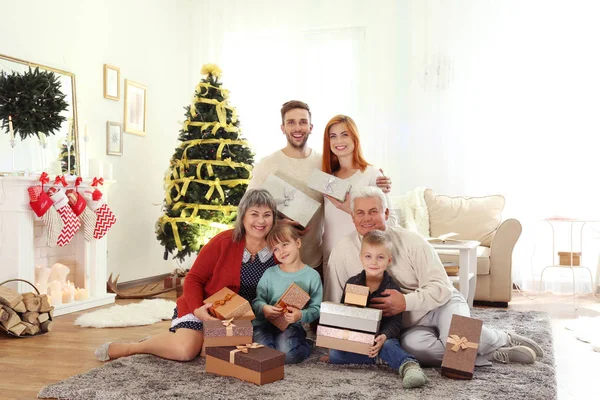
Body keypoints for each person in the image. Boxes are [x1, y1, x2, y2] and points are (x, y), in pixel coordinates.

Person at [328, 186, 544, 367]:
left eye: (374, 211)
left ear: (385, 214)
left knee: (456, 332)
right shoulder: (343, 250)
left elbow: (442, 287)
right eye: (360, 213)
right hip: (409, 326)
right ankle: (485, 353)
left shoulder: (412, 241)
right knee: (419, 351)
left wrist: (405, 301)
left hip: (441, 305)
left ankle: (500, 337)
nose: (367, 219)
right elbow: (336, 299)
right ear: (352, 216)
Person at [94, 189, 278, 362]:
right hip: (203, 307)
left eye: (267, 215)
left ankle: (195, 341)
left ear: (274, 218)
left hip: (242, 320)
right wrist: (198, 309)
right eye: (254, 214)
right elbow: (193, 279)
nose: (260, 221)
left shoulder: (279, 248)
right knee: (185, 351)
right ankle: (135, 347)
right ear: (243, 216)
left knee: (213, 352)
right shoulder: (222, 242)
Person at [247, 101, 392, 275]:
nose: (297, 128)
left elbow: (355, 173)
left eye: (303, 122)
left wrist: (379, 180)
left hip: (317, 259)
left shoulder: (324, 164)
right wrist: (276, 222)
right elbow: (248, 209)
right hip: (279, 260)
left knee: (326, 301)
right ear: (282, 128)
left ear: (311, 127)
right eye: (291, 122)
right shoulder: (267, 164)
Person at [324, 230, 428, 389]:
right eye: (368, 256)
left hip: (383, 338)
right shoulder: (353, 283)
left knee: (388, 346)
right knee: (335, 354)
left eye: (380, 257)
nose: (373, 262)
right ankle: (383, 358)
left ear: (389, 260)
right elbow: (344, 314)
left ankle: (408, 365)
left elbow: (395, 322)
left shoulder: (392, 289)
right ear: (361, 258)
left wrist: (384, 336)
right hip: (359, 339)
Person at [321, 115, 398, 301]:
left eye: (344, 134)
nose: (339, 141)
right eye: (333, 136)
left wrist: (352, 209)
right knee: (332, 319)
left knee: (359, 315)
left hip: (361, 256)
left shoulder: (371, 175)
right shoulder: (326, 179)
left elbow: (392, 221)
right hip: (331, 255)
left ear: (355, 138)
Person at [252, 224, 323, 364]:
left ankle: (307, 345)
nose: (281, 251)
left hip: (291, 326)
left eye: (285, 244)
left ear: (297, 243)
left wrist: (300, 315)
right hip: (264, 325)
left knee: (288, 355)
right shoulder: (269, 273)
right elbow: (257, 301)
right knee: (265, 355)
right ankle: (277, 345)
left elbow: (317, 309)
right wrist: (264, 308)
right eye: (276, 249)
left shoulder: (312, 276)